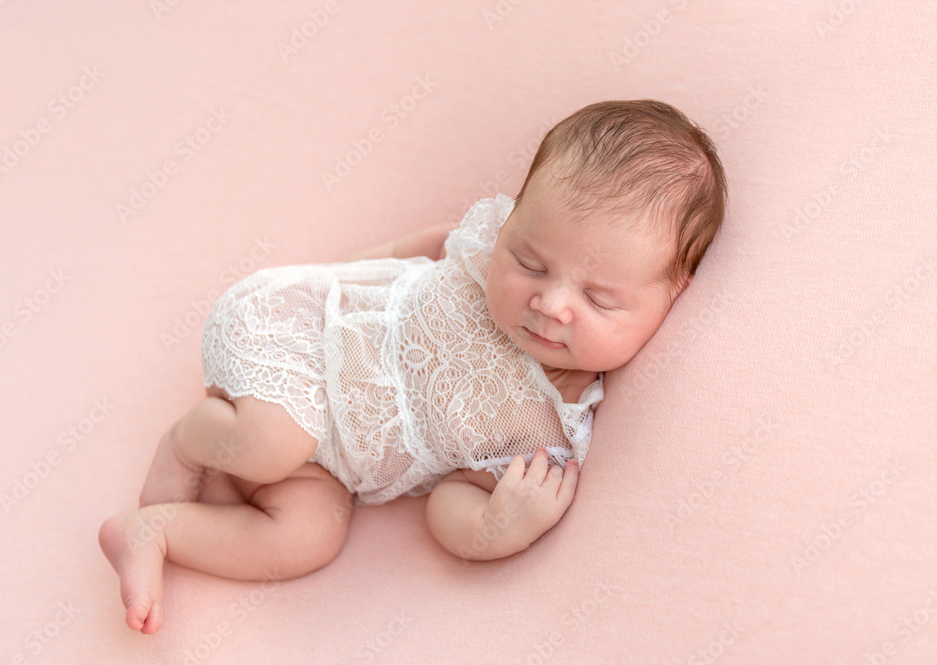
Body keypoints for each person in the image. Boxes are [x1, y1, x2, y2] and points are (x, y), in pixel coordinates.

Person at [99, 99, 728, 634]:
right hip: (301, 341)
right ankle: (188, 443)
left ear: (669, 302)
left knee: (307, 540)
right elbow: (406, 258)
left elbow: (452, 497)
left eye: (599, 299)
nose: (550, 303)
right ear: (508, 221)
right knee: (270, 443)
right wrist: (326, 290)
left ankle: (156, 533)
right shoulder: (478, 254)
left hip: (336, 466)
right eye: (530, 261)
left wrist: (498, 525)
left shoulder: (544, 433)